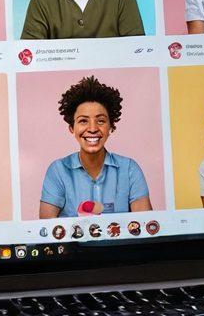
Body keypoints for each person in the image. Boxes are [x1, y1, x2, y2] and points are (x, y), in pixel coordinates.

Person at [39, 75, 152, 218]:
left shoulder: (129, 169)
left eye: (100, 121)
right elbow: (47, 231)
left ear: (111, 126)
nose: (92, 128)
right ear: (71, 128)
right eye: (83, 121)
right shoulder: (58, 171)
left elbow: (146, 227)